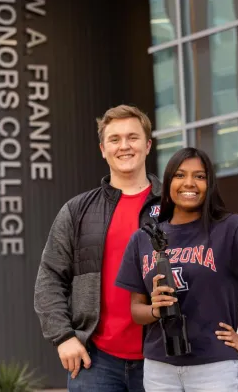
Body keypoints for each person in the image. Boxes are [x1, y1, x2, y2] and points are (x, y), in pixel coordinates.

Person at [116, 147, 238, 392]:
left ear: (210, 183)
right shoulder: (144, 238)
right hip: (159, 369)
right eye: (180, 175)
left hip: (214, 369)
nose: (189, 183)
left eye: (200, 176)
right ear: (168, 183)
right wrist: (155, 310)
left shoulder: (231, 228)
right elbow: (136, 310)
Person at [34, 105, 162, 392]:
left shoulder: (172, 206)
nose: (124, 146)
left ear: (148, 145)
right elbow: (50, 278)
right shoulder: (78, 210)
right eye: (115, 139)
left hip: (165, 359)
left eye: (133, 137)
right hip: (95, 361)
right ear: (103, 149)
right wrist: (63, 337)